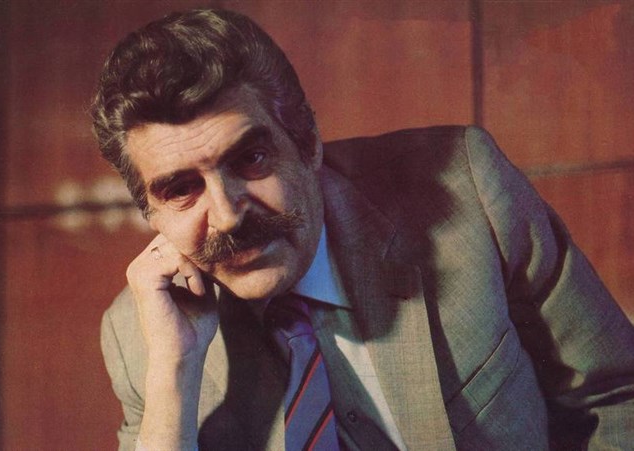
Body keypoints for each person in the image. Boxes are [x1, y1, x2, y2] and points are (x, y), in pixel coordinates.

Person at [93, 8, 634, 451]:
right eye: (180, 189)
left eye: (251, 158)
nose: (229, 215)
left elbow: (617, 396)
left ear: (307, 143)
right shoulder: (143, 339)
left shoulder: (469, 194)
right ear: (151, 214)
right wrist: (173, 374)